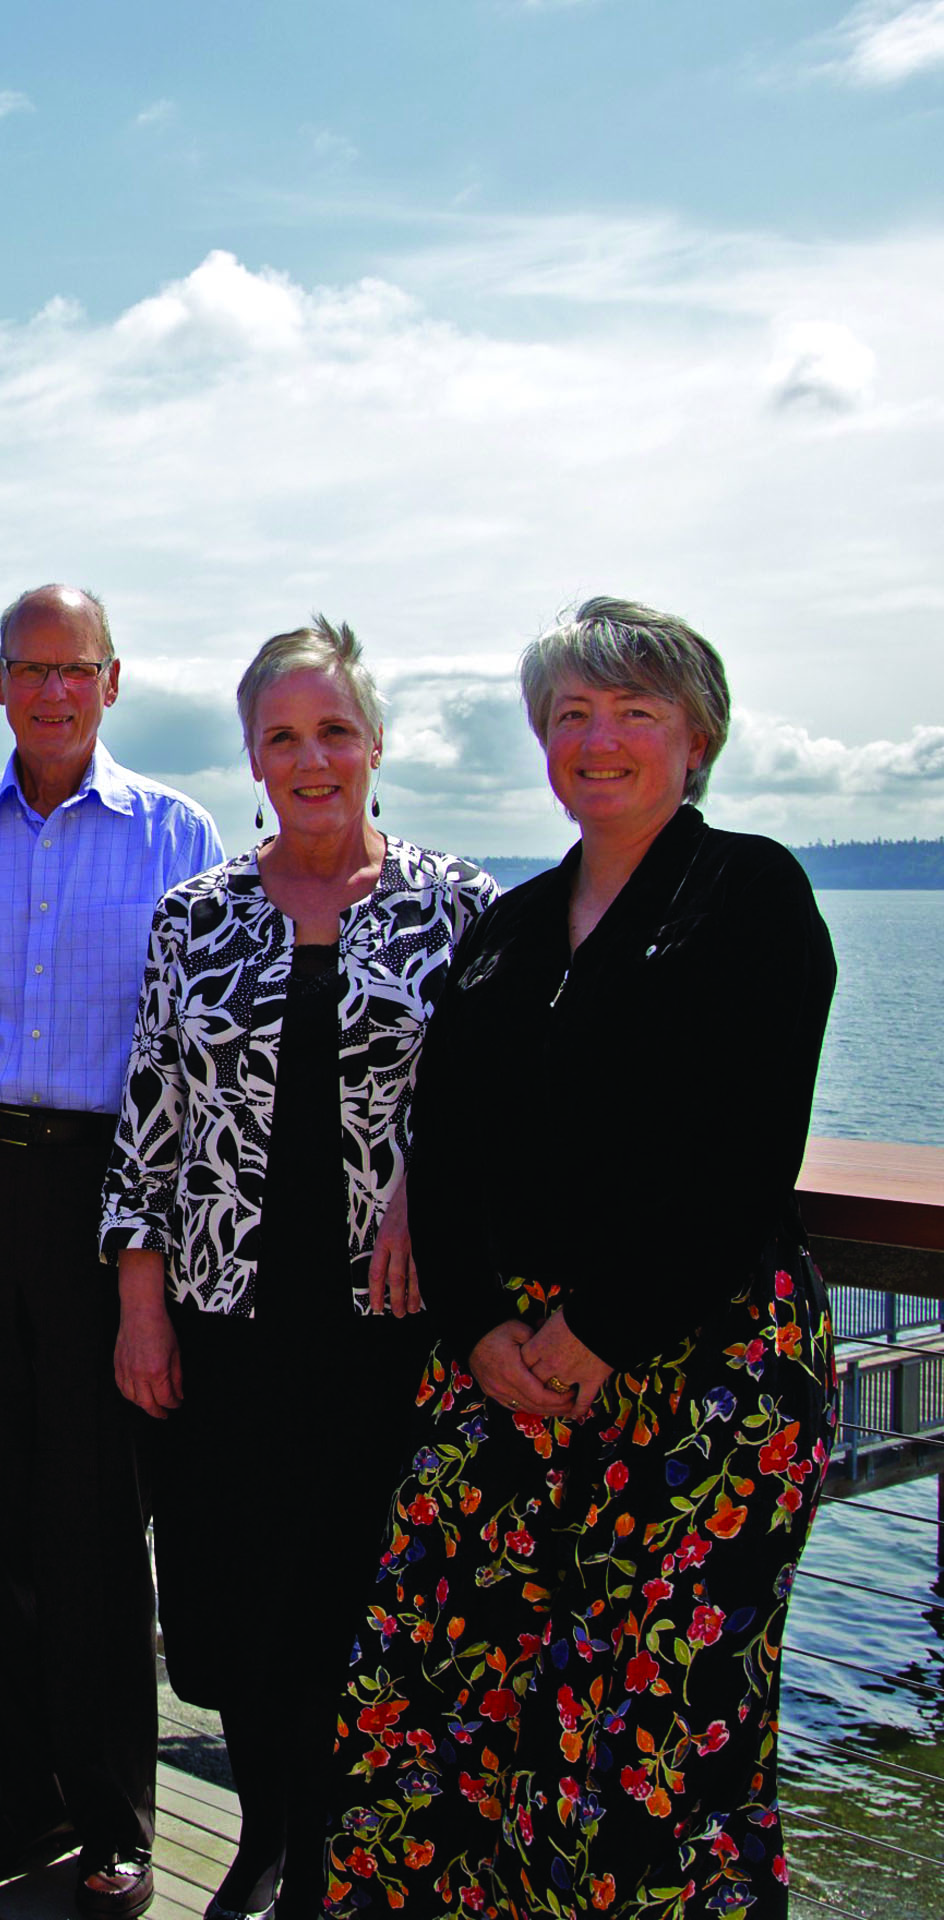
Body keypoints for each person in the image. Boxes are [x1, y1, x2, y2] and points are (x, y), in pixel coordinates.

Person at [314, 599, 837, 1919]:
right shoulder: (509, 928)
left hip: (699, 1369)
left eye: (635, 712)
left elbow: (744, 1157)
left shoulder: (750, 896)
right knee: (436, 1697)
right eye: (571, 715)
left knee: (658, 1728)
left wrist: (600, 1328)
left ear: (698, 737)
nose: (598, 739)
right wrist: (481, 1330)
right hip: (496, 1376)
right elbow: (446, 1150)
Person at [100, 620, 497, 1920]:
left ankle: (341, 1860)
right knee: (235, 1597)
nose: (312, 757)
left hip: (391, 1330)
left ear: (375, 744)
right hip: (228, 1316)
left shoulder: (460, 906)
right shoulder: (196, 915)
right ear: (253, 757)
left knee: (365, 1593)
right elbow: (149, 1118)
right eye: (284, 736)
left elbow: (507, 1107)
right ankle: (269, 1836)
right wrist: (141, 1302)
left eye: (335, 730)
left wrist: (427, 1191)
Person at [0, 584, 224, 1919]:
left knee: (94, 1516)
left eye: (74, 669)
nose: (51, 691)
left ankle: (112, 1818)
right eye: (28, 669)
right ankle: (15, 1797)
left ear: (113, 679)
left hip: (112, 1190)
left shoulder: (176, 832)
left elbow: (199, 1052)